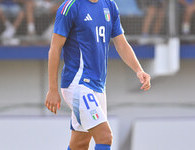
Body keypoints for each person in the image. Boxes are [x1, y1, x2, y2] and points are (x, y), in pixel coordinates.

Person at [45, 0, 151, 149]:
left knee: (80, 144)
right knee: (105, 136)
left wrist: (139, 70)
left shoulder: (109, 5)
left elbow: (121, 43)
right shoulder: (70, 7)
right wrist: (52, 89)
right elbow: (54, 49)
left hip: (98, 86)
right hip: (78, 84)